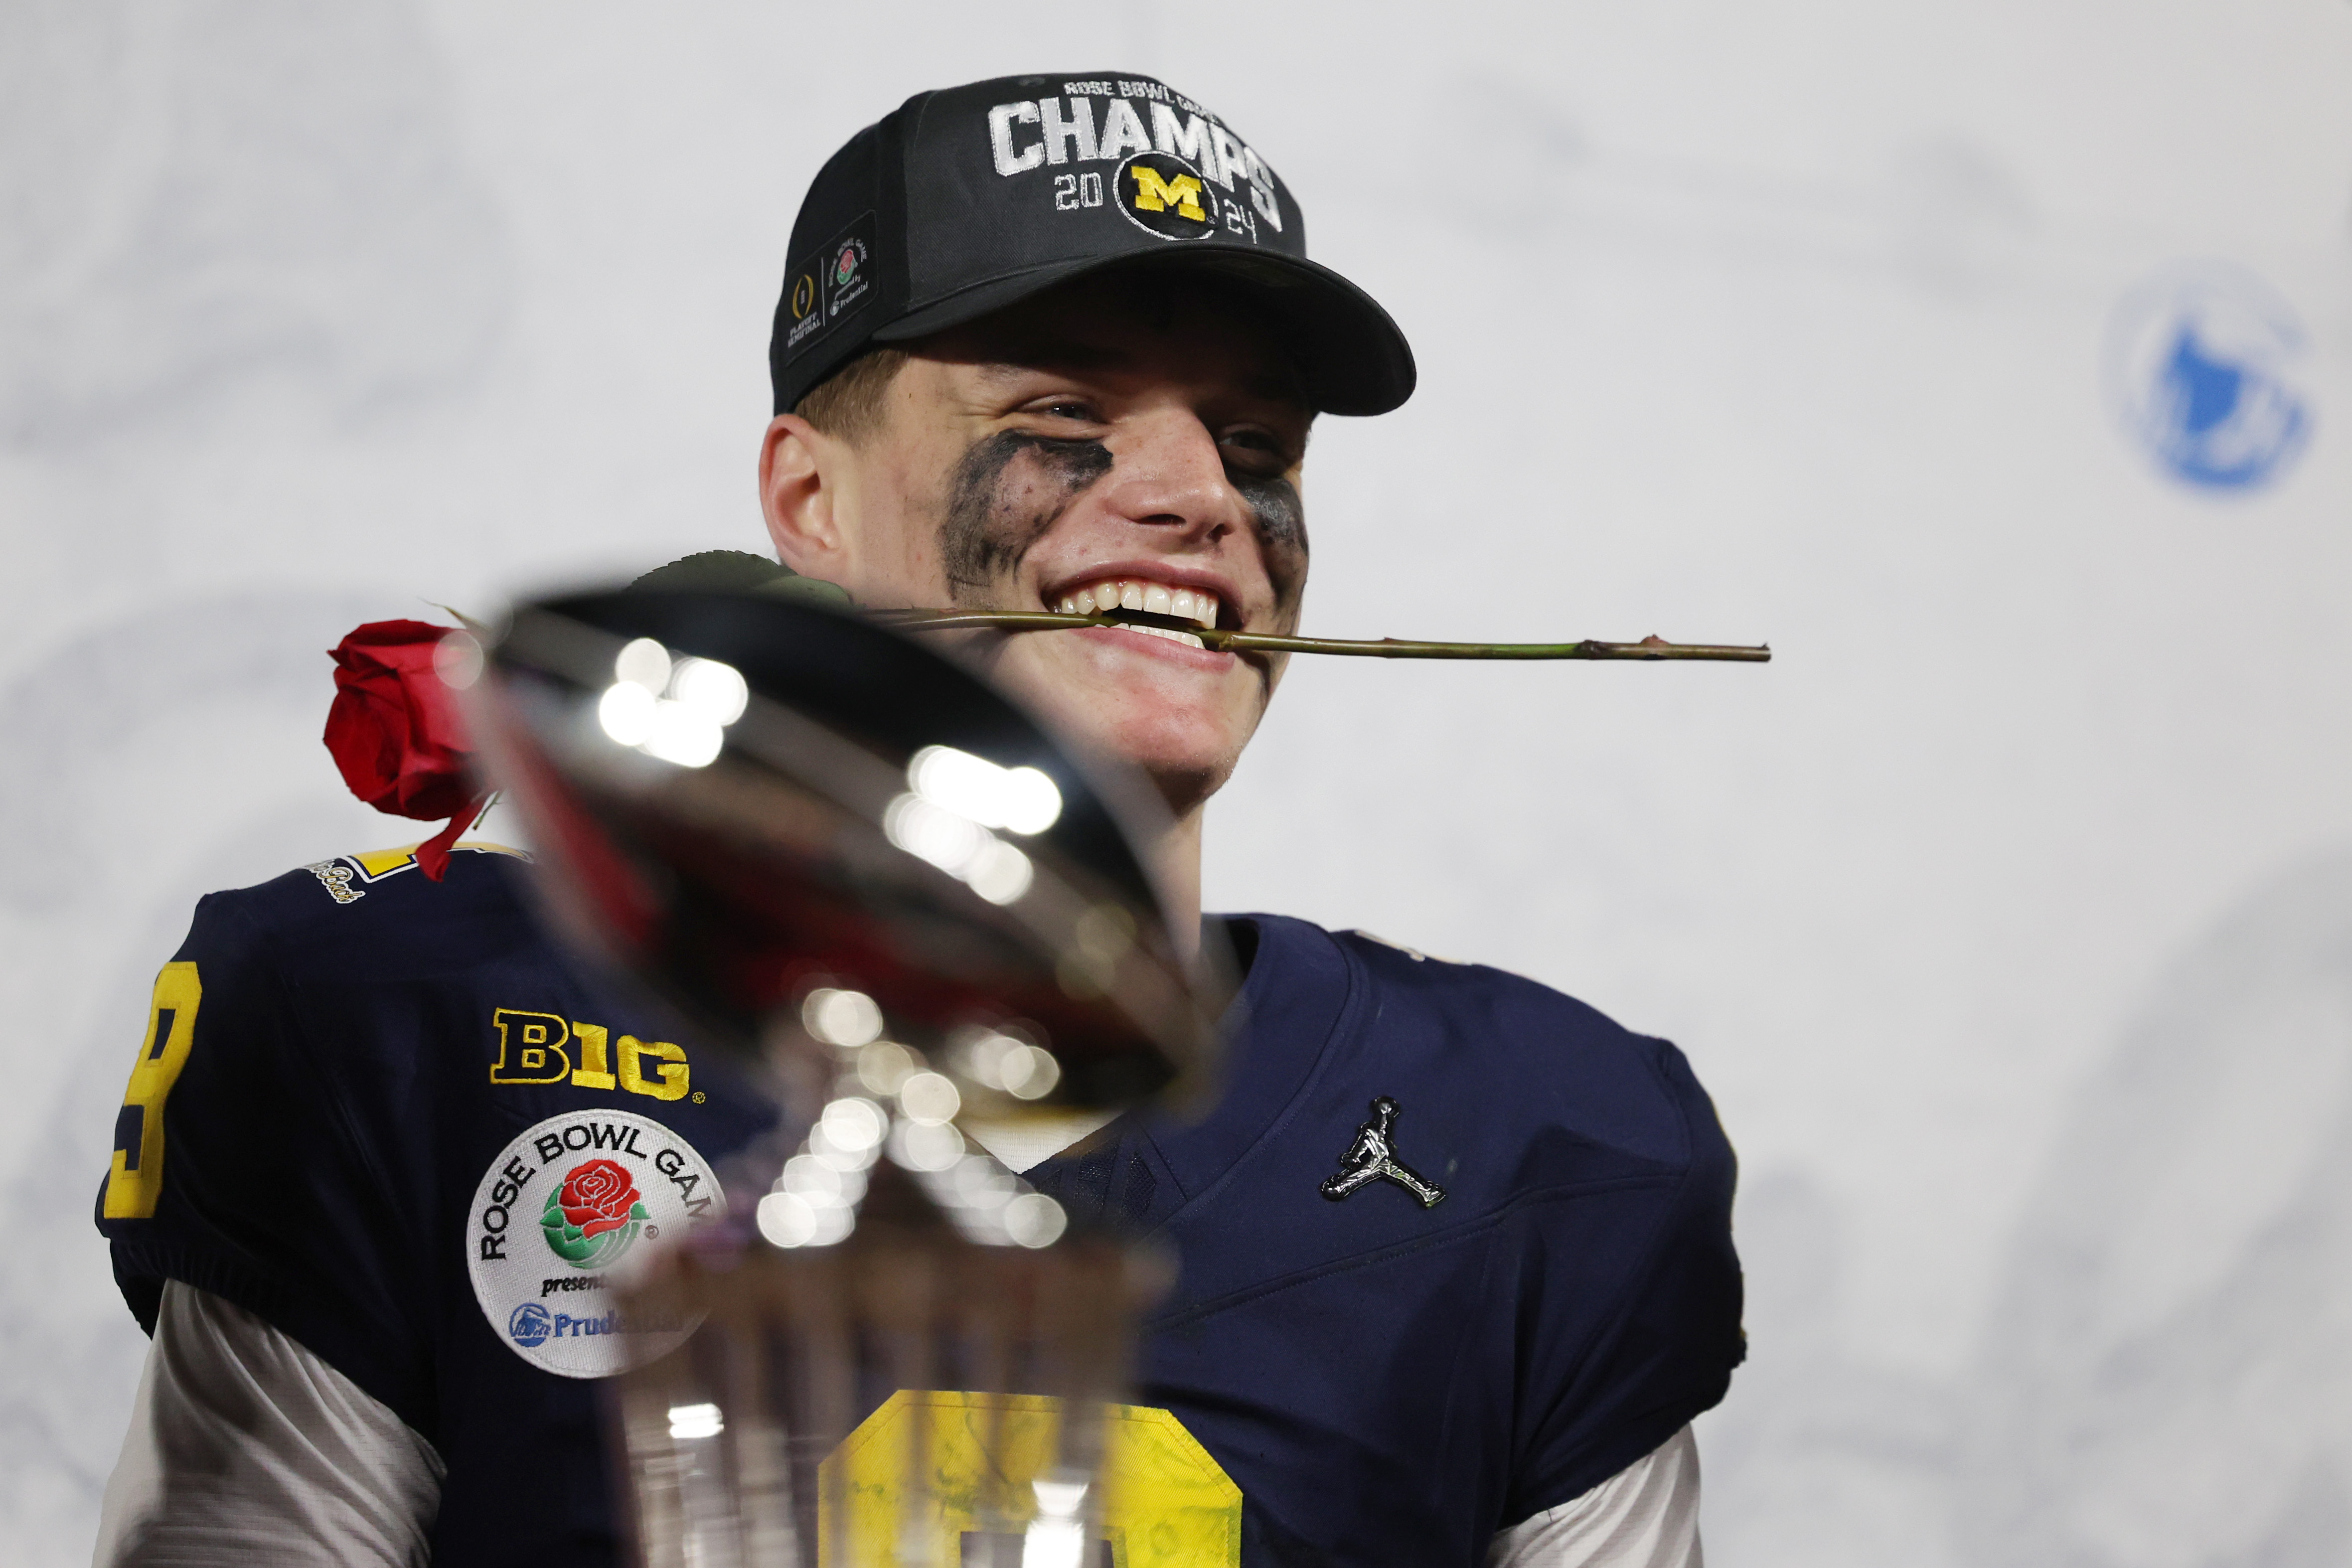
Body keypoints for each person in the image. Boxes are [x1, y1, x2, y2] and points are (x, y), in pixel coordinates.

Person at [93, 71, 1742, 1567]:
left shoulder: (1533, 1145)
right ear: (810, 503)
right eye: (1057, 418)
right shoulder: (405, 1028)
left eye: (1257, 445)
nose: (1198, 500)